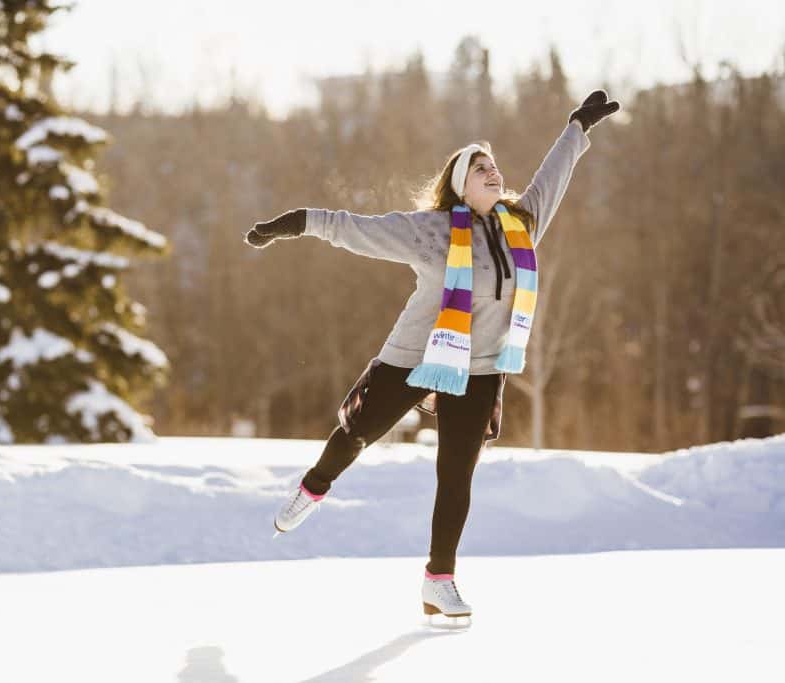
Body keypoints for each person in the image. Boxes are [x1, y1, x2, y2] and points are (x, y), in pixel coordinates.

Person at [244, 90, 620, 621]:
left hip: (481, 368)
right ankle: (313, 488)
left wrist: (578, 126)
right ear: (461, 184)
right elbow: (357, 229)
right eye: (481, 168)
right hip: (416, 355)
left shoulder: (521, 225)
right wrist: (297, 221)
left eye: (495, 167)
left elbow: (552, 176)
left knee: (456, 475)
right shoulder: (432, 231)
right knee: (357, 432)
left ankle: (438, 580)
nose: (494, 174)